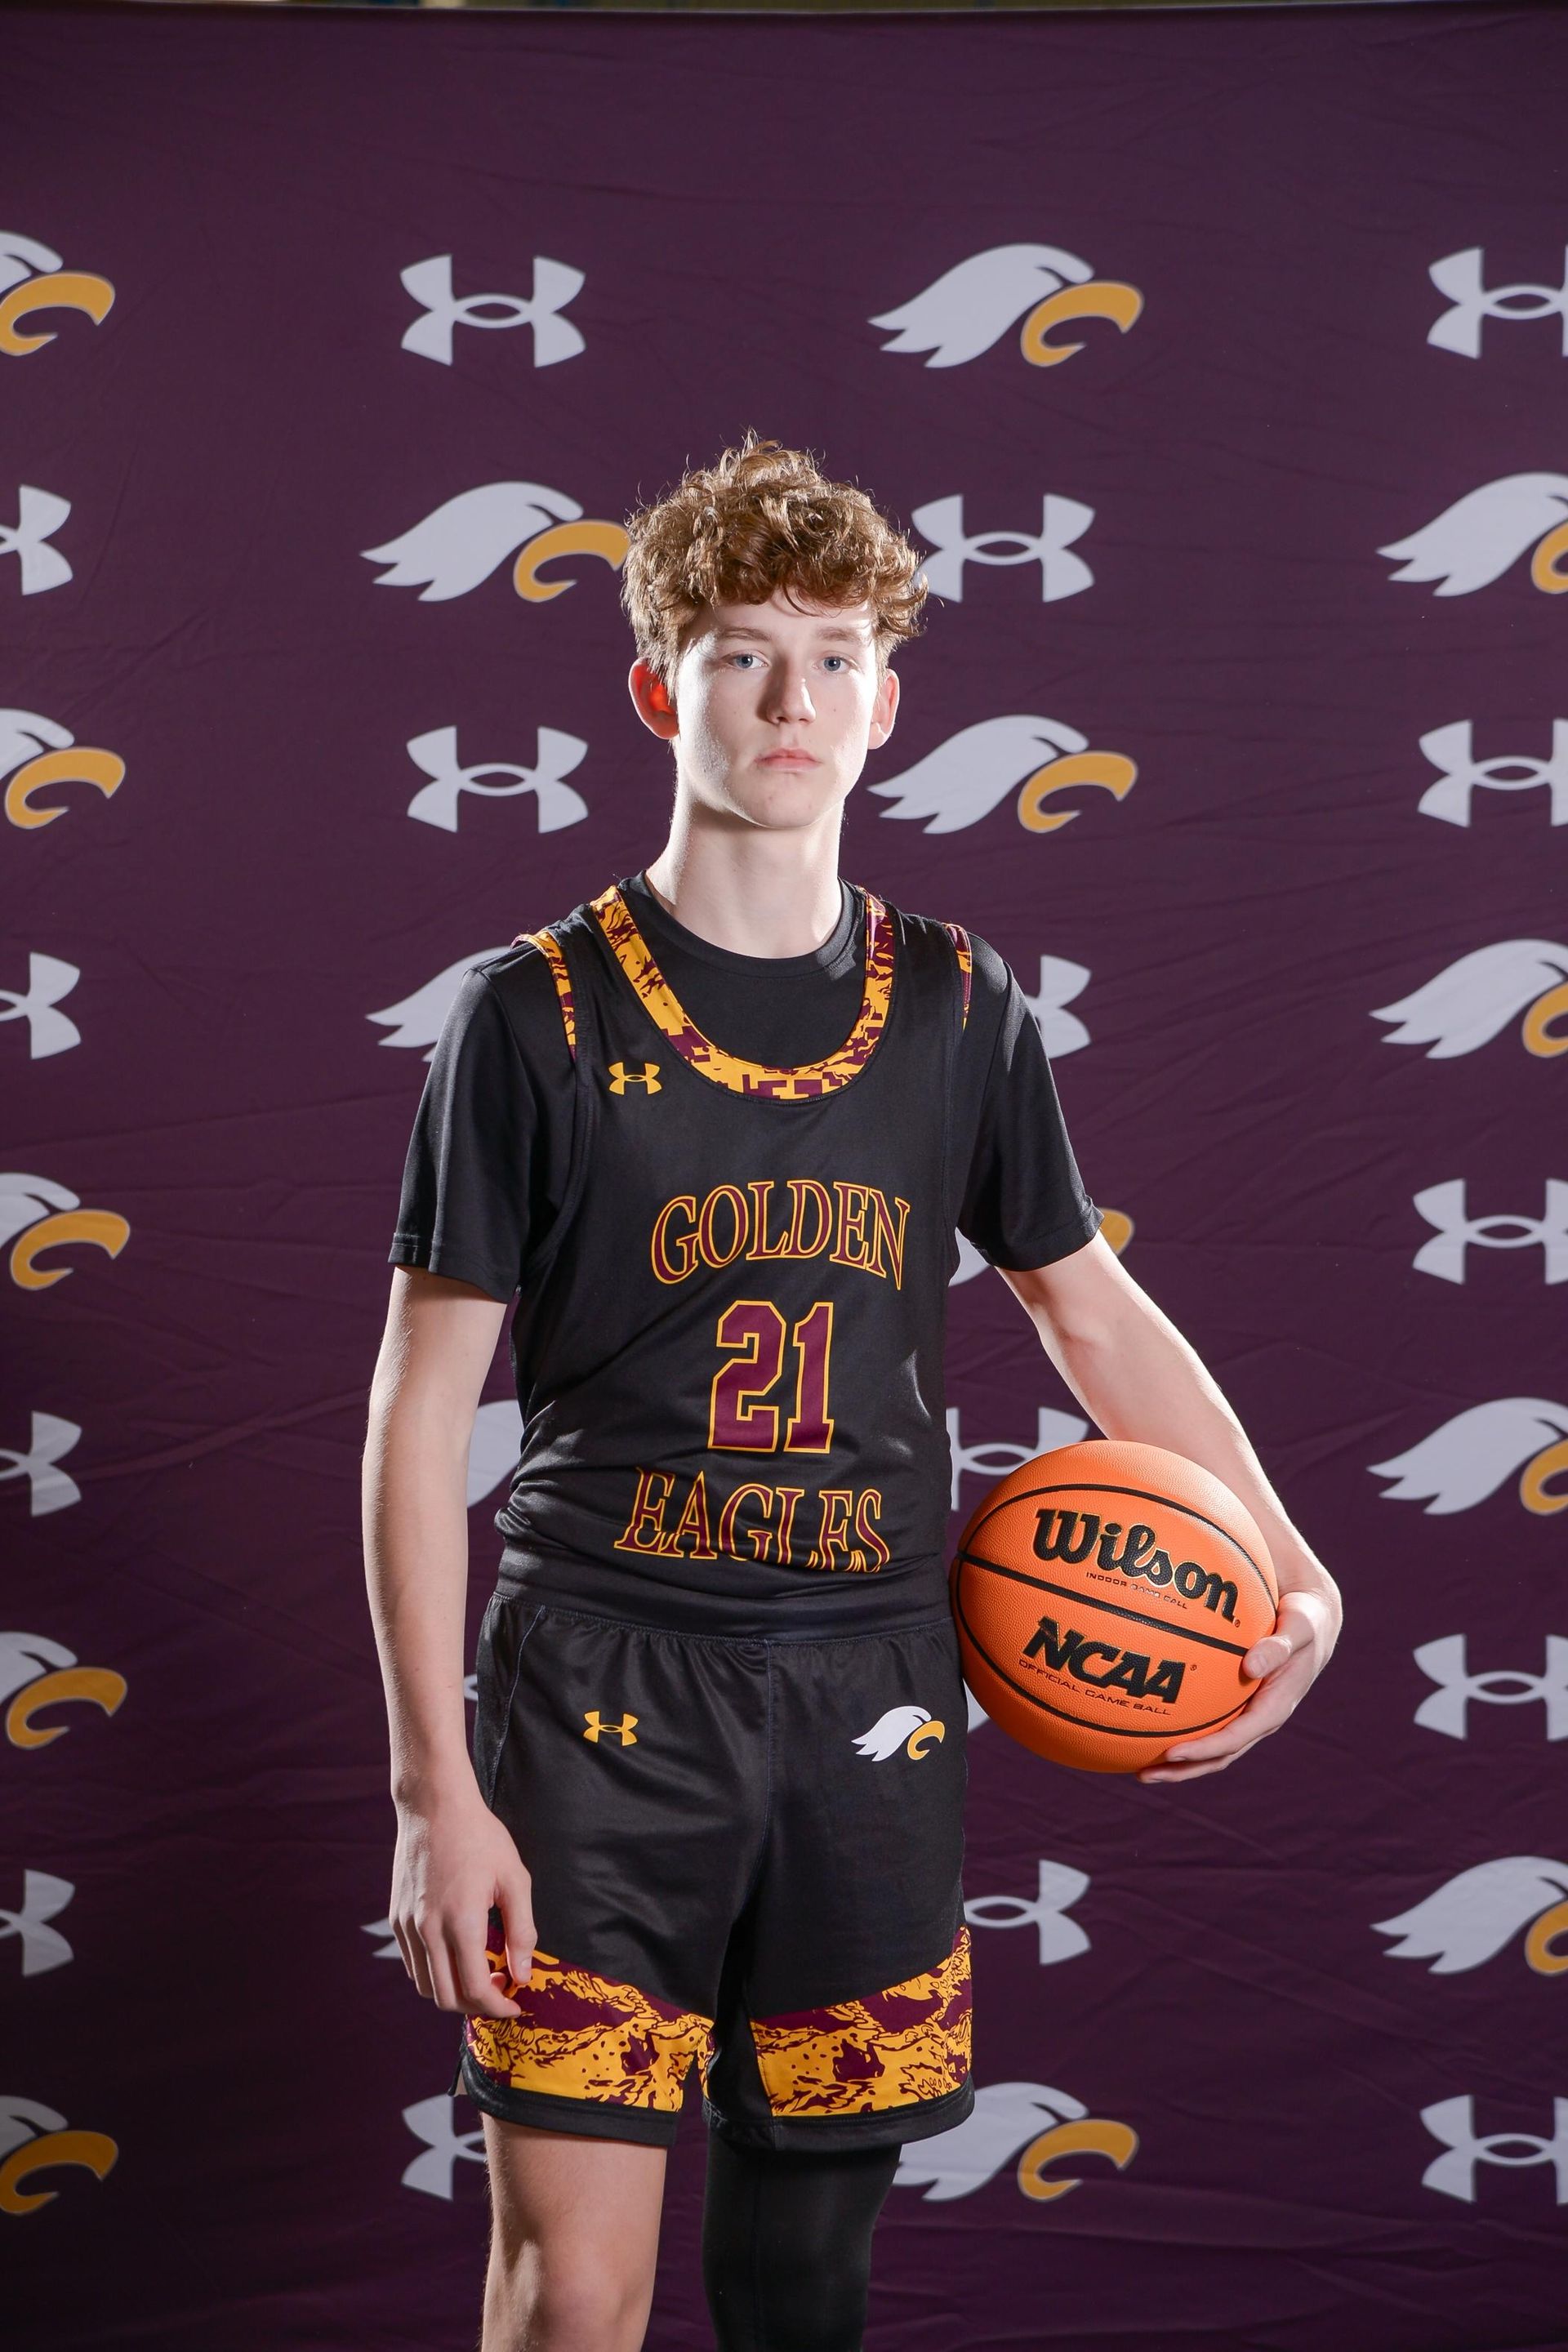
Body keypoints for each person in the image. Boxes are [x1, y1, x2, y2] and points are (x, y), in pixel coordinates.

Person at [362, 433, 1342, 2352]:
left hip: (878, 1705)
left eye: (831, 653)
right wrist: (429, 1789)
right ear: (660, 690)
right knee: (578, 2288)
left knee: (810, 2283)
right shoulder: (534, 1011)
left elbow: (1093, 1312)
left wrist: (1297, 1566)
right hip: (598, 1699)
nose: (788, 694)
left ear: (890, 704)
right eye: (738, 650)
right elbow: (415, 1414)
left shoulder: (963, 1004)